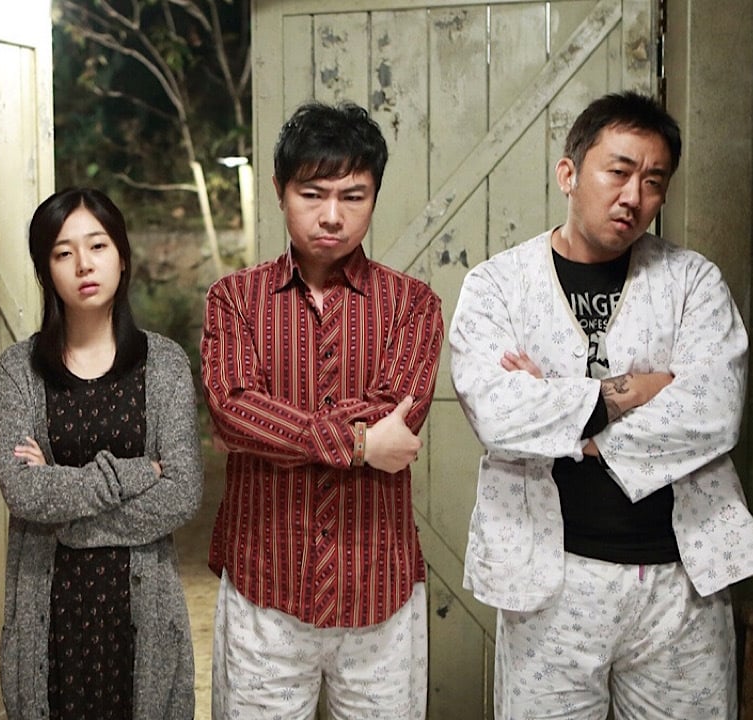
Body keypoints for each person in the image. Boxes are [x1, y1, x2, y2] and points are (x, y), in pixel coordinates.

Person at [450, 91, 753, 718]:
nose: (634, 196)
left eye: (654, 181)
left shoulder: (693, 281)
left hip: (681, 582)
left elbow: (713, 410)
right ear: (568, 174)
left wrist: (568, 420)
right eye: (619, 172)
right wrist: (641, 388)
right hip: (549, 579)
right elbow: (497, 412)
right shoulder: (497, 286)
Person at [201, 101, 443, 718]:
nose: (332, 215)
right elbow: (231, 409)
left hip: (378, 589)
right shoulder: (235, 299)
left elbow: (398, 416)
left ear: (375, 196)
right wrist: (360, 445)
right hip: (265, 585)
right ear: (280, 191)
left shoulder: (413, 304)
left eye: (353, 196)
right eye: (312, 194)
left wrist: (272, 428)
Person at [0, 187, 203, 720]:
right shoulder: (19, 370)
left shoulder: (164, 364)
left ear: (122, 257)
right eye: (63, 253)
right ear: (46, 271)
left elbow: (182, 493)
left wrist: (65, 510)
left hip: (141, 615)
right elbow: (23, 491)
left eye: (98, 245)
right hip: (50, 613)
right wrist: (136, 473)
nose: (83, 264)